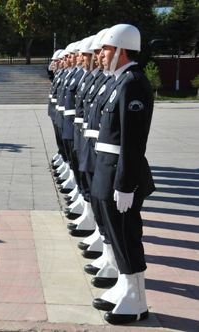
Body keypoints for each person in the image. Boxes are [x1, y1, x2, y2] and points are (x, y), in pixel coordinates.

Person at [90, 24, 155, 325]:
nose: (101, 56)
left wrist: (126, 183)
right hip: (107, 168)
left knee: (128, 236)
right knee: (116, 234)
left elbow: (132, 139)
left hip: (120, 172)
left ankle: (137, 301)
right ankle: (125, 287)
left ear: (120, 50)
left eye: (105, 50)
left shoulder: (133, 83)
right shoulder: (119, 82)